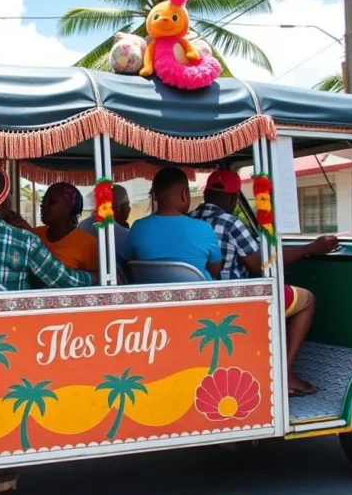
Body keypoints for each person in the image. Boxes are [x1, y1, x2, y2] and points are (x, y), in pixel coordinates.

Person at [190, 169, 339, 396]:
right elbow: (261, 264)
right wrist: (311, 248)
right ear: (234, 198)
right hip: (237, 300)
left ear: (207, 193)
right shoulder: (231, 223)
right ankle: (286, 373)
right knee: (306, 299)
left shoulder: (190, 219)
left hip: (203, 299)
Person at [122, 166, 222, 280]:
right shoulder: (204, 229)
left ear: (155, 196)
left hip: (152, 296)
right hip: (197, 297)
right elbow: (215, 270)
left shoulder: (138, 227)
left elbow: (129, 262)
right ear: (185, 194)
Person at [20, 182, 100, 275]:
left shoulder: (88, 243)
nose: (43, 205)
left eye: (52, 201)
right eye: (43, 201)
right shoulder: (34, 233)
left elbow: (95, 279)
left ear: (68, 207)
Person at [80, 183, 131, 253]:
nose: (129, 209)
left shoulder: (82, 225)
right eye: (127, 204)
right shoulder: (125, 235)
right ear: (117, 208)